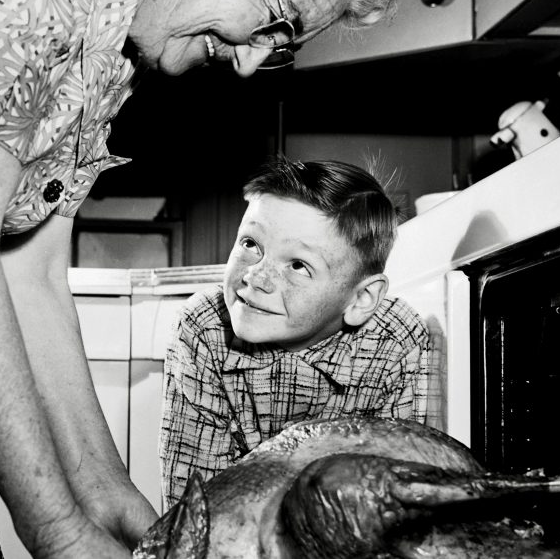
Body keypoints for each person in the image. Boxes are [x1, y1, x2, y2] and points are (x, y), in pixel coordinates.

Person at [0, 0, 396, 556]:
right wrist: (60, 534)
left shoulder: (120, 33)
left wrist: (107, 495)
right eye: (274, 21)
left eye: (280, 49)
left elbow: (28, 270)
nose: (248, 65)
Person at [159, 157, 434, 510]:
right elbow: (193, 506)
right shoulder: (204, 329)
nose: (255, 278)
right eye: (250, 244)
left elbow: (392, 503)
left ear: (361, 299)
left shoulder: (398, 342)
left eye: (299, 265)